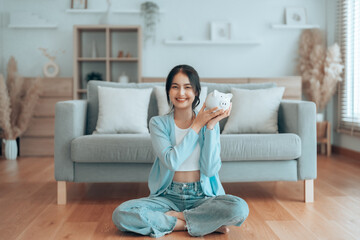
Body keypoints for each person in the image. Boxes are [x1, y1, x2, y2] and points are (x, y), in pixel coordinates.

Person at [112, 64, 249, 238]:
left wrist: (211, 127)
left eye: (187, 87)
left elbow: (210, 170)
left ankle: (181, 218)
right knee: (122, 214)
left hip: (202, 196)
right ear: (168, 91)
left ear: (197, 92)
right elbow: (171, 161)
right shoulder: (158, 124)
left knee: (239, 208)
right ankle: (199, 224)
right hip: (168, 196)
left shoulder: (209, 124)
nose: (181, 93)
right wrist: (197, 125)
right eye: (175, 87)